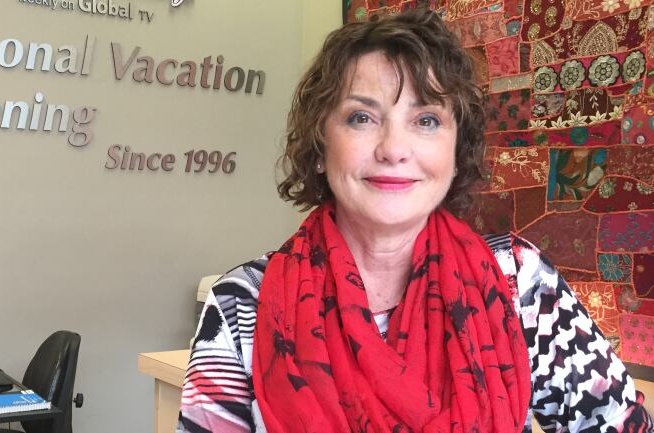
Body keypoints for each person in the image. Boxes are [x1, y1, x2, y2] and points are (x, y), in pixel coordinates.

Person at [177, 7, 652, 433]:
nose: (394, 149)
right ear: (320, 147)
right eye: (362, 118)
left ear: (454, 149)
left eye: (426, 120)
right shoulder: (243, 304)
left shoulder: (521, 284)